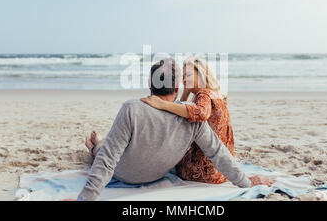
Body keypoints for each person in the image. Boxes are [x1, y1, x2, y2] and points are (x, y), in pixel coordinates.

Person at [77, 58, 273, 201]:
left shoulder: (132, 108)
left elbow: (107, 160)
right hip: (156, 175)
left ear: (149, 84)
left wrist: (84, 199)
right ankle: (97, 143)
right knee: (108, 147)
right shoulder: (191, 116)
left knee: (103, 150)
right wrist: (247, 182)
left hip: (123, 174)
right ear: (177, 88)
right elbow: (218, 153)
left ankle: (94, 145)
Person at [141, 56, 235, 184]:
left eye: (189, 75)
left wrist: (162, 104)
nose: (184, 79)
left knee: (168, 159)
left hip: (204, 172)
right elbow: (182, 104)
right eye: (183, 76)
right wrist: (187, 91)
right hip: (222, 171)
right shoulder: (217, 95)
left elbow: (201, 113)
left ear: (202, 74)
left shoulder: (204, 94)